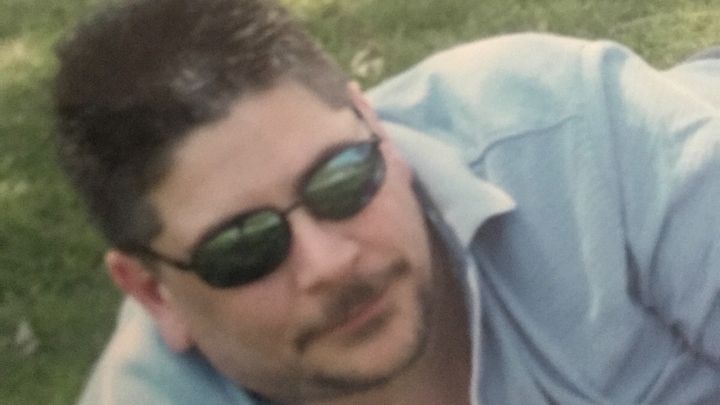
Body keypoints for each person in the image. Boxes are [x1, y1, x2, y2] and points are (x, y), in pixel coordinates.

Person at [53, 0, 720, 403]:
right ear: (154, 292)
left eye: (341, 179)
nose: (328, 262)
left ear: (375, 128)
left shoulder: (576, 131)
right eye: (244, 247)